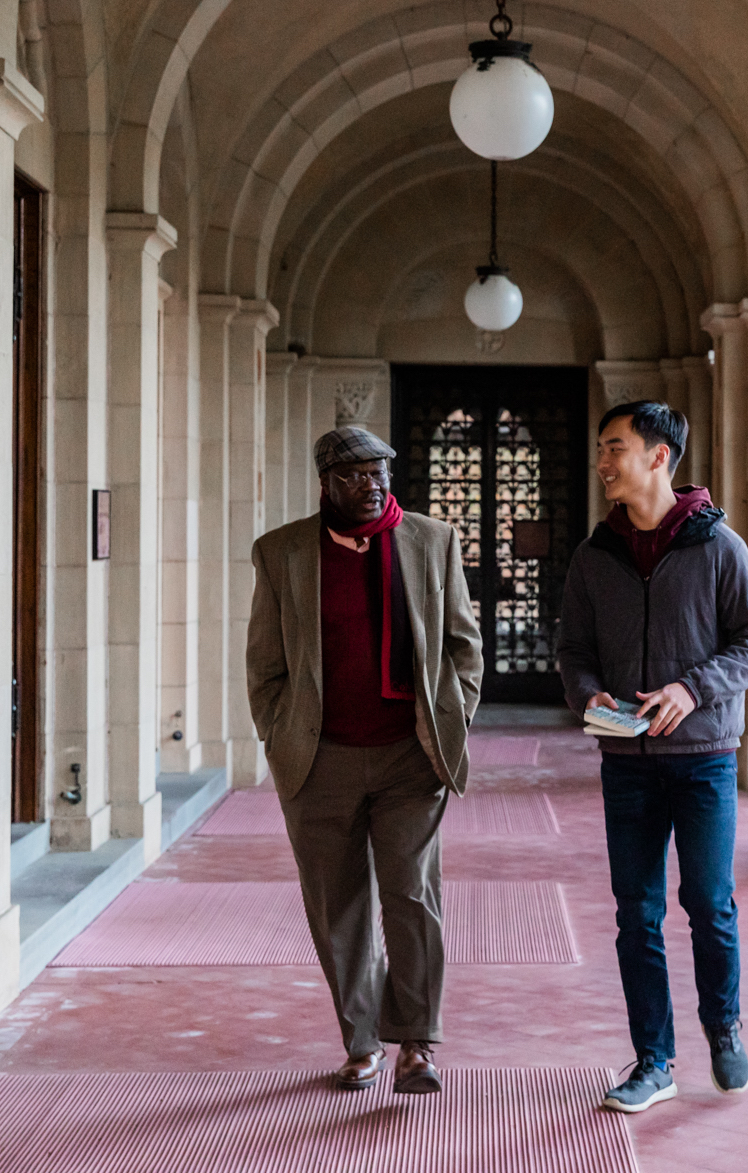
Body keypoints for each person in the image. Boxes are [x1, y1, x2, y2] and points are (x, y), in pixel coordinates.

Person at [245, 426, 482, 1095]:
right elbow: (264, 665)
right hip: (320, 762)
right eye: (354, 474)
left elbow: (464, 646)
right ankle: (360, 1041)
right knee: (337, 905)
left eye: (379, 470)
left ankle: (417, 1043)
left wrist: (452, 719)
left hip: (411, 757)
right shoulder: (282, 553)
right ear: (324, 480)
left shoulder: (432, 541)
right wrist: (277, 733)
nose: (372, 483)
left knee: (412, 895)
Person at [557, 401, 748, 1113]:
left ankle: (724, 1026)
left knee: (709, 902)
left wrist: (693, 686)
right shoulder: (595, 557)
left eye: (614, 447)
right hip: (626, 761)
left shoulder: (720, 548)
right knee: (636, 911)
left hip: (704, 755)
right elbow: (574, 652)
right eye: (600, 448)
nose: (602, 462)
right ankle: (654, 1058)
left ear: (658, 457)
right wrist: (590, 696)